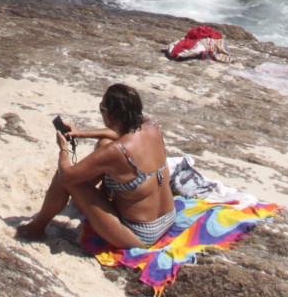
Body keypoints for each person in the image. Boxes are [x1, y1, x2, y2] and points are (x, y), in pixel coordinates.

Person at [16, 83, 177, 249]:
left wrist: (63, 148)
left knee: (64, 178)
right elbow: (120, 133)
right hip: (169, 217)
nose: (101, 113)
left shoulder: (116, 151)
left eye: (102, 109)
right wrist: (82, 133)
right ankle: (81, 196)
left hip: (141, 234)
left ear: (112, 116)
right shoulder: (151, 126)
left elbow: (66, 176)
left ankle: (36, 229)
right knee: (103, 145)